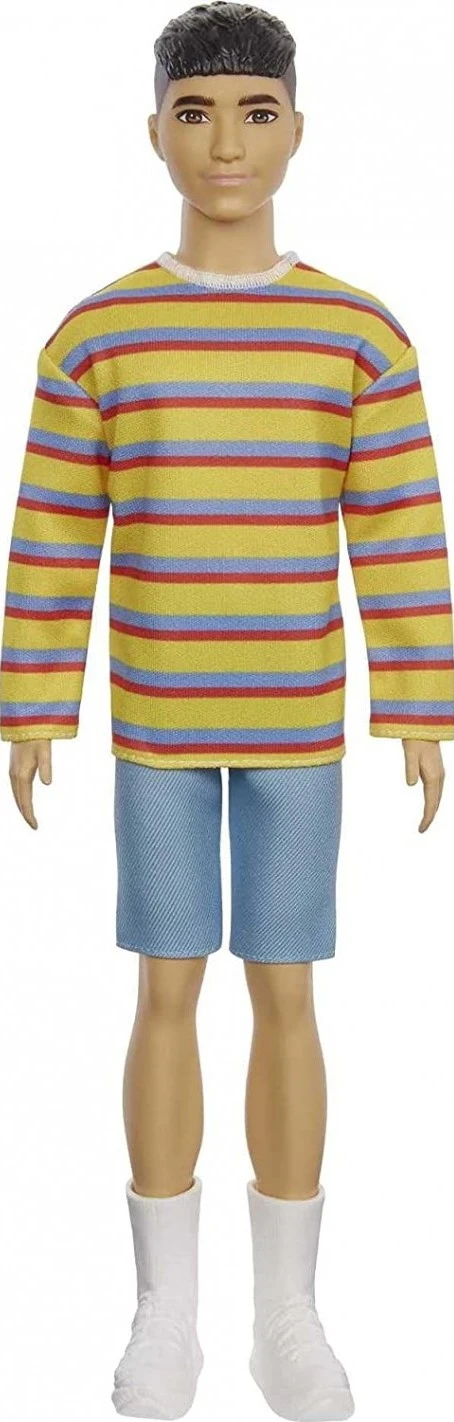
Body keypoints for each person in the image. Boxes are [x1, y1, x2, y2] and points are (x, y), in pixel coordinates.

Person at [1, 3, 453, 1418]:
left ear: (298, 130)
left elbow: (399, 526)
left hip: (299, 725)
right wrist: (31, 702)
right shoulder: (99, 336)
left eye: (256, 111)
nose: (226, 143)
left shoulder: (356, 334)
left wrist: (421, 701)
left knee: (287, 990)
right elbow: (53, 532)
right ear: (154, 133)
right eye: (195, 112)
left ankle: (287, 1316)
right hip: (154, 720)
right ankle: (164, 1314)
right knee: (163, 987)